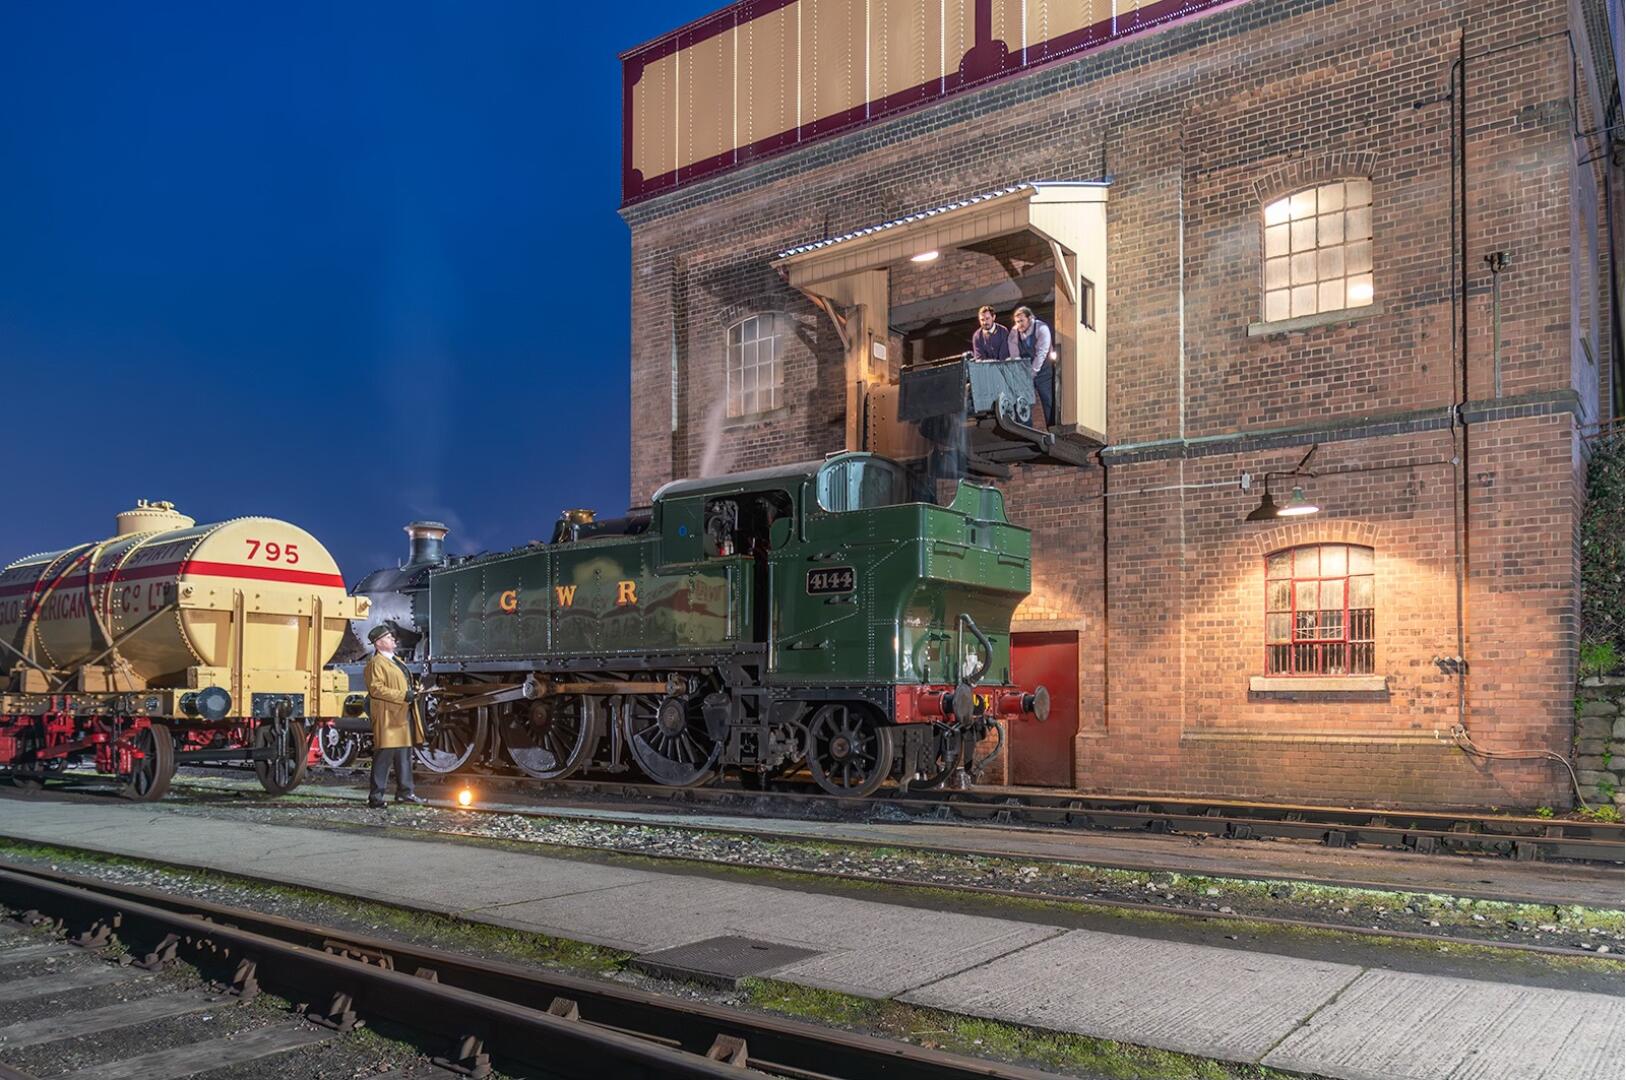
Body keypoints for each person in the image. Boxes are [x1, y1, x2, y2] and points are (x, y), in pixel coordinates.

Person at [363, 623, 426, 808]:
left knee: (404, 755)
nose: (393, 640)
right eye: (389, 638)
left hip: (401, 713)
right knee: (384, 756)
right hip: (388, 715)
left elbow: (402, 682)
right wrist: (403, 695)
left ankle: (405, 793)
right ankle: (376, 797)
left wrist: (414, 689)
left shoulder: (396, 661)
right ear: (379, 643)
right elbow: (376, 689)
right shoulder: (376, 664)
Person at [1008, 305, 1057, 427]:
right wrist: (1022, 373)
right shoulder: (1014, 333)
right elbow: (1015, 355)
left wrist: (1033, 372)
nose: (1019, 325)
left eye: (1022, 321)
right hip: (1025, 369)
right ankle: (1025, 427)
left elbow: (1042, 353)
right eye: (1017, 322)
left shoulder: (1042, 329)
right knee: (1022, 400)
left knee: (1047, 399)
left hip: (1043, 370)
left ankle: (1052, 428)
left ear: (1030, 318)